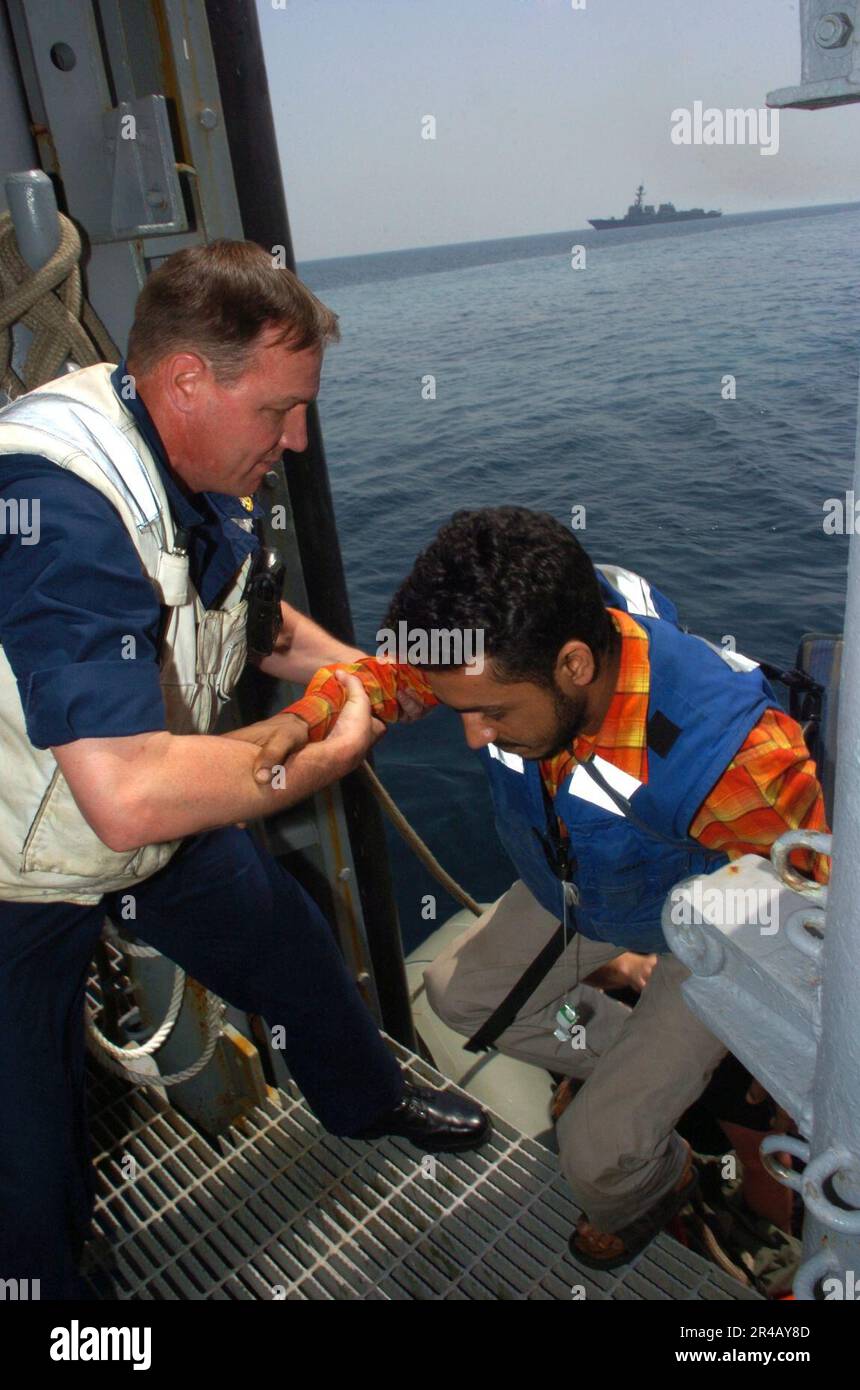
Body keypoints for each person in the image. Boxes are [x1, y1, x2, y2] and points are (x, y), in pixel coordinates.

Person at [0, 240, 488, 1301]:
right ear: (188, 379)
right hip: (20, 869)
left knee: (291, 944)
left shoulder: (195, 464)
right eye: (279, 411)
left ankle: (363, 1100)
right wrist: (330, 755)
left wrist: (389, 678)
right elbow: (126, 797)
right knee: (24, 1185)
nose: (297, 439)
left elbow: (258, 629)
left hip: (136, 827)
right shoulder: (63, 511)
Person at [258, 505, 829, 1270]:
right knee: (461, 997)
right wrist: (314, 712)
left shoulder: (736, 764)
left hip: (705, 922)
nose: (474, 733)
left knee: (596, 1156)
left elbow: (822, 909)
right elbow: (393, 675)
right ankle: (652, 1087)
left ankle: (650, 1180)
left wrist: (794, 1049)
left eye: (493, 713)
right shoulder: (515, 638)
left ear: (574, 666)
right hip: (587, 881)